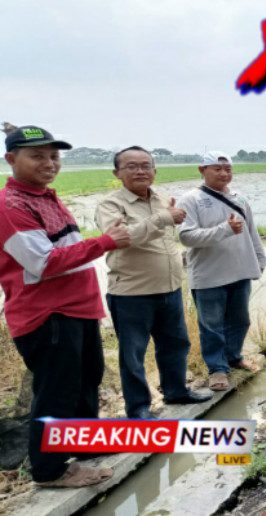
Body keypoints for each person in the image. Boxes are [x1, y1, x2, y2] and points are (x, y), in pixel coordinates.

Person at [0, 125, 131, 486]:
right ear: (12, 160)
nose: (49, 163)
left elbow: (63, 248)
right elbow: (42, 262)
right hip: (48, 315)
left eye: (54, 156)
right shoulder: (10, 206)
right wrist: (104, 242)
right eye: (37, 156)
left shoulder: (44, 197)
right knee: (56, 392)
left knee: (86, 382)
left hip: (77, 309)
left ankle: (86, 445)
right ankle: (50, 470)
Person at [95, 146, 212, 419]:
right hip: (132, 293)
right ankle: (138, 409)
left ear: (154, 171)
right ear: (117, 173)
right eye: (132, 166)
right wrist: (163, 218)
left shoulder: (161, 199)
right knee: (133, 355)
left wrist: (165, 216)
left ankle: (176, 390)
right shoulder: (110, 205)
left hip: (169, 288)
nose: (140, 171)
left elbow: (165, 236)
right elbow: (122, 238)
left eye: (146, 165)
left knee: (176, 344)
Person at [178, 152, 266, 391]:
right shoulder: (191, 199)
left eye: (227, 169)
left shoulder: (240, 198)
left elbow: (252, 231)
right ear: (202, 170)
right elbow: (186, 236)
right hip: (208, 276)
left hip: (240, 271)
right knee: (211, 325)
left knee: (240, 320)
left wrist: (260, 258)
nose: (224, 173)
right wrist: (224, 229)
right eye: (217, 168)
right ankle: (217, 369)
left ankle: (234, 357)